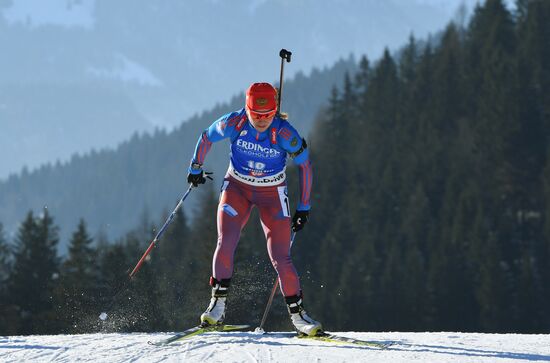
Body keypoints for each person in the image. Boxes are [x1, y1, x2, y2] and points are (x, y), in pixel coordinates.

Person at [186, 82, 322, 336]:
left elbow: (305, 165)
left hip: (272, 194)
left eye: (268, 116)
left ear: (275, 111)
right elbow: (206, 135)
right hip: (237, 189)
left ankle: (299, 316)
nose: (261, 121)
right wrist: (195, 167)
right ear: (246, 109)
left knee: (281, 257)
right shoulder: (235, 123)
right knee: (225, 242)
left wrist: (304, 207)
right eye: (256, 115)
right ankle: (217, 305)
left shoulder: (284, 133)